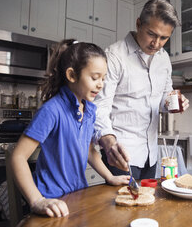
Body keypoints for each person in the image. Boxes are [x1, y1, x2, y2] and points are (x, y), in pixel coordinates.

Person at [10, 39, 130, 218]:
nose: (101, 84)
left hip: (78, 196)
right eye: (95, 77)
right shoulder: (52, 110)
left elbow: (88, 150)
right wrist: (37, 201)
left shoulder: (90, 111)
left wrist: (109, 177)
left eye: (103, 79)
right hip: (51, 200)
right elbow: (18, 156)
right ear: (72, 75)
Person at [94, 0, 189, 180]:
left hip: (151, 155)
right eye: (151, 34)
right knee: (121, 207)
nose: (157, 43)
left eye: (164, 38)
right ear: (139, 24)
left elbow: (164, 98)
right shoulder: (114, 56)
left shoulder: (163, 58)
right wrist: (108, 141)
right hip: (121, 152)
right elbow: (99, 107)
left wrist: (173, 103)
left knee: (147, 206)